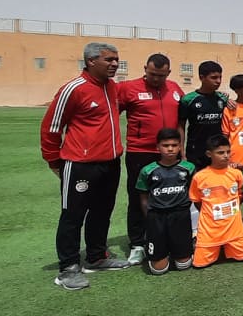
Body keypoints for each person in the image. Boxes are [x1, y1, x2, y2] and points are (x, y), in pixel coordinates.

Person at [42, 41, 129, 290]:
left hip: (111, 163)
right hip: (80, 165)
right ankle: (68, 268)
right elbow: (51, 127)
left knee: (102, 211)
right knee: (73, 215)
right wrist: (54, 161)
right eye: (109, 60)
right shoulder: (74, 89)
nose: (115, 64)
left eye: (116, 60)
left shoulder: (112, 88)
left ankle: (96, 257)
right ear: (91, 61)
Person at [117, 53, 184, 266]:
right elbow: (108, 113)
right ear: (145, 68)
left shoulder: (174, 89)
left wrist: (181, 149)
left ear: (168, 73)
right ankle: (138, 243)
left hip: (170, 151)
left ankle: (167, 237)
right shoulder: (129, 88)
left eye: (161, 75)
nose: (156, 79)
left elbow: (183, 119)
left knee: (171, 196)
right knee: (139, 196)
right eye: (152, 74)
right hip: (141, 152)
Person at [134, 128, 195, 275]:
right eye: (166, 145)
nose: (170, 149)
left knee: (183, 265)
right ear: (158, 147)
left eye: (174, 145)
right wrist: (150, 218)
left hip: (180, 216)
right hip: (157, 217)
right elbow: (143, 197)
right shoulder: (148, 170)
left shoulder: (189, 168)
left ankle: (179, 247)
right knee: (158, 270)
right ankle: (160, 249)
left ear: (180, 147)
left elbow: (194, 193)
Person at [189, 134, 243, 268]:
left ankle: (227, 246)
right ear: (209, 154)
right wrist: (209, 213)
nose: (226, 156)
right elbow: (197, 201)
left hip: (234, 228)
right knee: (199, 264)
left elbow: (240, 196)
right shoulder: (199, 177)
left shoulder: (236, 174)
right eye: (220, 153)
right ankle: (211, 245)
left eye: (228, 152)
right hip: (210, 230)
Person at [179, 60, 228, 170]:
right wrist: (182, 152)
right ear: (202, 77)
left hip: (217, 151)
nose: (218, 81)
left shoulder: (223, 99)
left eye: (220, 77)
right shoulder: (188, 100)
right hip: (195, 151)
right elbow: (181, 126)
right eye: (214, 78)